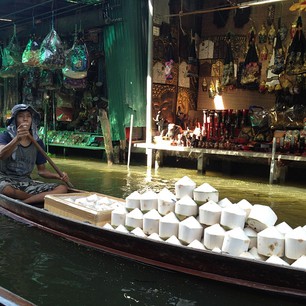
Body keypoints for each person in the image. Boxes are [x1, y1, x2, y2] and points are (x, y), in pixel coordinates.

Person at [0, 104, 70, 204]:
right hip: (5, 180)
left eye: (28, 116)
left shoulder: (37, 142)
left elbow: (42, 171)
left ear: (32, 120)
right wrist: (17, 139)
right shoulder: (5, 136)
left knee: (62, 188)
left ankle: (26, 202)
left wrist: (58, 176)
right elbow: (1, 154)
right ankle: (36, 199)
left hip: (25, 182)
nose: (25, 119)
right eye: (21, 116)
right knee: (7, 190)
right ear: (14, 120)